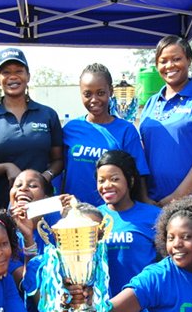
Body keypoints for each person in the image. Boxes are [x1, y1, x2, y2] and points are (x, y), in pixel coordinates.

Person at [0, 47, 63, 208]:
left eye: (19, 71)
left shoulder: (47, 115)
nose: (13, 76)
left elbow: (58, 160)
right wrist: (5, 167)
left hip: (41, 205)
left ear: (28, 76)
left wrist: (44, 177)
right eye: (6, 72)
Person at [139, 36, 192, 205]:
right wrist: (144, 197)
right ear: (157, 66)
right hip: (154, 203)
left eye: (177, 59)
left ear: (189, 60)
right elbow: (143, 152)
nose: (170, 65)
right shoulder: (151, 103)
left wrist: (175, 198)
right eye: (163, 61)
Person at [62, 63, 149, 205]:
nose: (94, 99)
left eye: (100, 93)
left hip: (114, 215)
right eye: (87, 94)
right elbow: (61, 169)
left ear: (111, 91)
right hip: (75, 214)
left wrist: (144, 203)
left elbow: (139, 174)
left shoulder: (126, 130)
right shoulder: (70, 129)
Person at [96, 150, 161, 296]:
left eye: (114, 179)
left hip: (143, 305)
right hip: (103, 307)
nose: (106, 185)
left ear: (130, 180)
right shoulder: (93, 217)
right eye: (101, 180)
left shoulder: (154, 215)